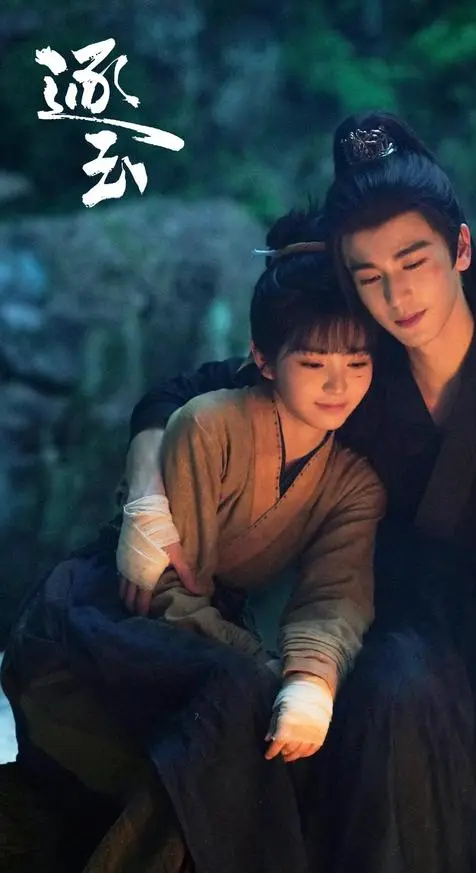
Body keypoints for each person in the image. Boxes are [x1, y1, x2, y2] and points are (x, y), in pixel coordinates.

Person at [119, 113, 476, 873]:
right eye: (369, 276)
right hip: (411, 625)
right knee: (396, 690)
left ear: (461, 250)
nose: (398, 294)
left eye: (414, 260)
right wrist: (145, 495)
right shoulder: (356, 369)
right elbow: (184, 392)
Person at [1, 207, 385, 873]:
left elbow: (335, 594)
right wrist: (259, 661)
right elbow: (166, 585)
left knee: (266, 721)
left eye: (358, 362)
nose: (338, 383)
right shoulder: (209, 423)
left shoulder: (354, 481)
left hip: (206, 637)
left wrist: (310, 678)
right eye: (313, 361)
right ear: (263, 358)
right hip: (106, 614)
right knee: (236, 698)